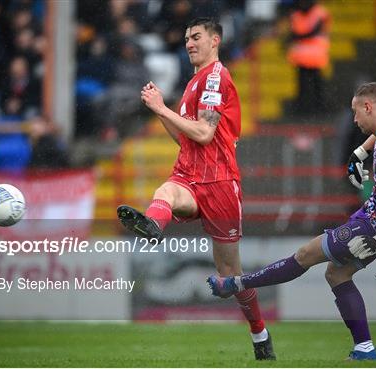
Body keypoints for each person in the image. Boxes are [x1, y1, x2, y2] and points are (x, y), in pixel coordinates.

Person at [207, 82, 376, 361]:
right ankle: (364, 350)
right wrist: (360, 153)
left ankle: (236, 284)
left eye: (355, 112)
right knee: (336, 274)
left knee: (306, 254)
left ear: (368, 107)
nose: (354, 119)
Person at [117, 17, 276, 361]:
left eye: (197, 37)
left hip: (219, 183)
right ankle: (153, 226)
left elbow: (204, 133)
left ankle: (260, 333)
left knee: (230, 275)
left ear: (215, 40)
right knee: (166, 191)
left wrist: (161, 107)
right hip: (189, 176)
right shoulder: (193, 84)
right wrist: (161, 112)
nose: (189, 43)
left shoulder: (216, 78)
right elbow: (185, 138)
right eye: (187, 38)